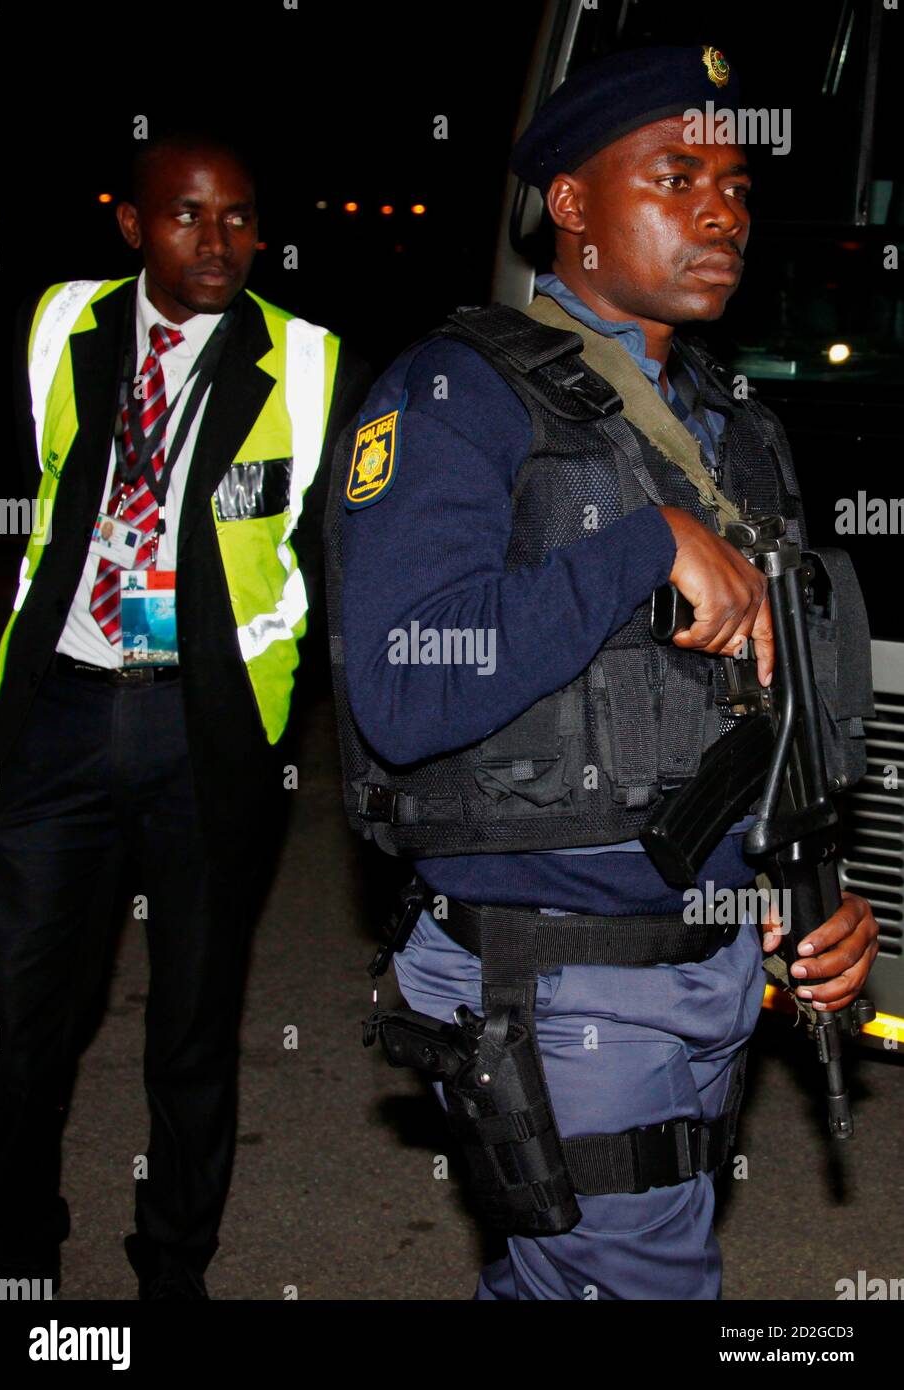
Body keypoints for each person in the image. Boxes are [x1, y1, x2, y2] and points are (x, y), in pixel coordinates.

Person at [327, 47, 879, 1299]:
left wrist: (810, 891)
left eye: (735, 184)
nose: (721, 210)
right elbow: (402, 687)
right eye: (674, 176)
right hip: (555, 978)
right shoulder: (454, 394)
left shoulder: (733, 426)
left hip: (712, 962)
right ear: (568, 205)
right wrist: (639, 549)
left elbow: (758, 711)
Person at [0, 131, 368, 1299]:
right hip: (56, 713)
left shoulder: (307, 362)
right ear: (132, 226)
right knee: (15, 1010)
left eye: (240, 218)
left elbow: (339, 564)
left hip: (207, 736)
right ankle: (13, 1255)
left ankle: (172, 1271)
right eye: (188, 216)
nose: (218, 241)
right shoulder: (57, 325)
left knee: (193, 1024)